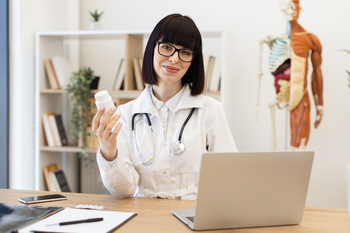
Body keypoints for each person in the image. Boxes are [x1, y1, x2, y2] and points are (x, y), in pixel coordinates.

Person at [92, 13, 237, 200]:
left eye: (185, 52)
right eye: (167, 47)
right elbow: (124, 189)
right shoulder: (126, 114)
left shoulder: (210, 110)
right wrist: (108, 149)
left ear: (193, 60)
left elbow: (228, 176)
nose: (174, 59)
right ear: (152, 48)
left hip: (193, 217)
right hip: (145, 218)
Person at [257, 0, 323, 150]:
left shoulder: (310, 39)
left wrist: (320, 105)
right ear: (282, 8)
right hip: (282, 89)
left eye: (295, 4)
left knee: (299, 143)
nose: (293, 8)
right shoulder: (278, 39)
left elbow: (317, 72)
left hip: (300, 93)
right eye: (289, 4)